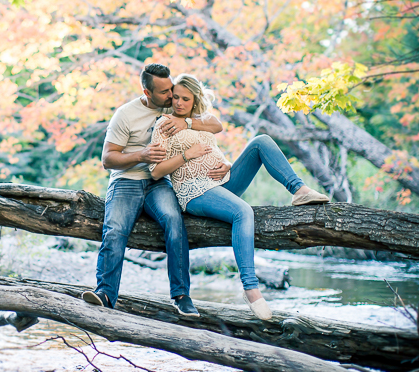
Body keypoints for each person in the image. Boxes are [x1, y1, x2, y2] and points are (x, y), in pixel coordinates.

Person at [148, 74, 330, 320]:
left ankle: (299, 191)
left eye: (185, 98)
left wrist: (226, 162)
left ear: (195, 100)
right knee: (243, 212)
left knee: (261, 141)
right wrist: (187, 155)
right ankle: (251, 288)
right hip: (193, 190)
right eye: (176, 97)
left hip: (222, 181)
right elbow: (156, 171)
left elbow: (217, 127)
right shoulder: (164, 124)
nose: (179, 103)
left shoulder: (199, 120)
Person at [81, 64, 224, 318]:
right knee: (115, 229)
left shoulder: (174, 106)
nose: (172, 96)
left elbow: (215, 124)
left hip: (159, 183)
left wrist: (187, 122)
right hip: (127, 180)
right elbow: (107, 159)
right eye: (165, 92)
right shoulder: (125, 115)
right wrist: (141, 154)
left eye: (172, 89)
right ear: (147, 92)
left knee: (173, 220)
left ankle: (181, 296)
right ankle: (105, 294)